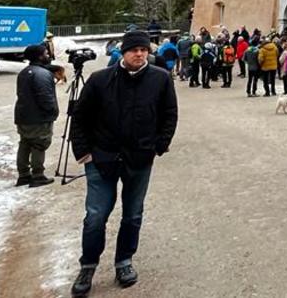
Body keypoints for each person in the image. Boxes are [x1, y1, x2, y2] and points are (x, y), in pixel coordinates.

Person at [68, 30, 178, 297]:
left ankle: (124, 261)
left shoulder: (160, 78)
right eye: (133, 50)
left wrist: (159, 145)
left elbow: (169, 114)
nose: (139, 54)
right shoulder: (99, 79)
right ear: (123, 52)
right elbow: (80, 117)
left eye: (143, 50)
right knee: (95, 216)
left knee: (133, 214)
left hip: (139, 158)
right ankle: (88, 265)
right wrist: (83, 152)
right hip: (102, 157)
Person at [14, 44, 59, 188]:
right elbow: (45, 97)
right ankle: (38, 175)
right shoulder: (42, 74)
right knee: (39, 144)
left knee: (25, 143)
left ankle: (23, 175)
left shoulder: (24, 72)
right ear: (40, 56)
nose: (48, 55)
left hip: (23, 115)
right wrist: (53, 111)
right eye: (46, 53)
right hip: (38, 117)